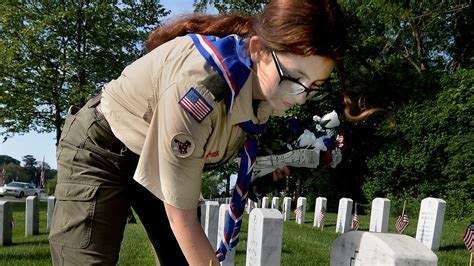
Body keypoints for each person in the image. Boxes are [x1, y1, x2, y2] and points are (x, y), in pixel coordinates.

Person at [48, 0, 365, 265]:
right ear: (257, 50)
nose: (299, 97)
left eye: (314, 87)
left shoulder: (265, 93)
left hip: (157, 151)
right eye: (293, 79)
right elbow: (181, 218)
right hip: (102, 147)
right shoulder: (201, 89)